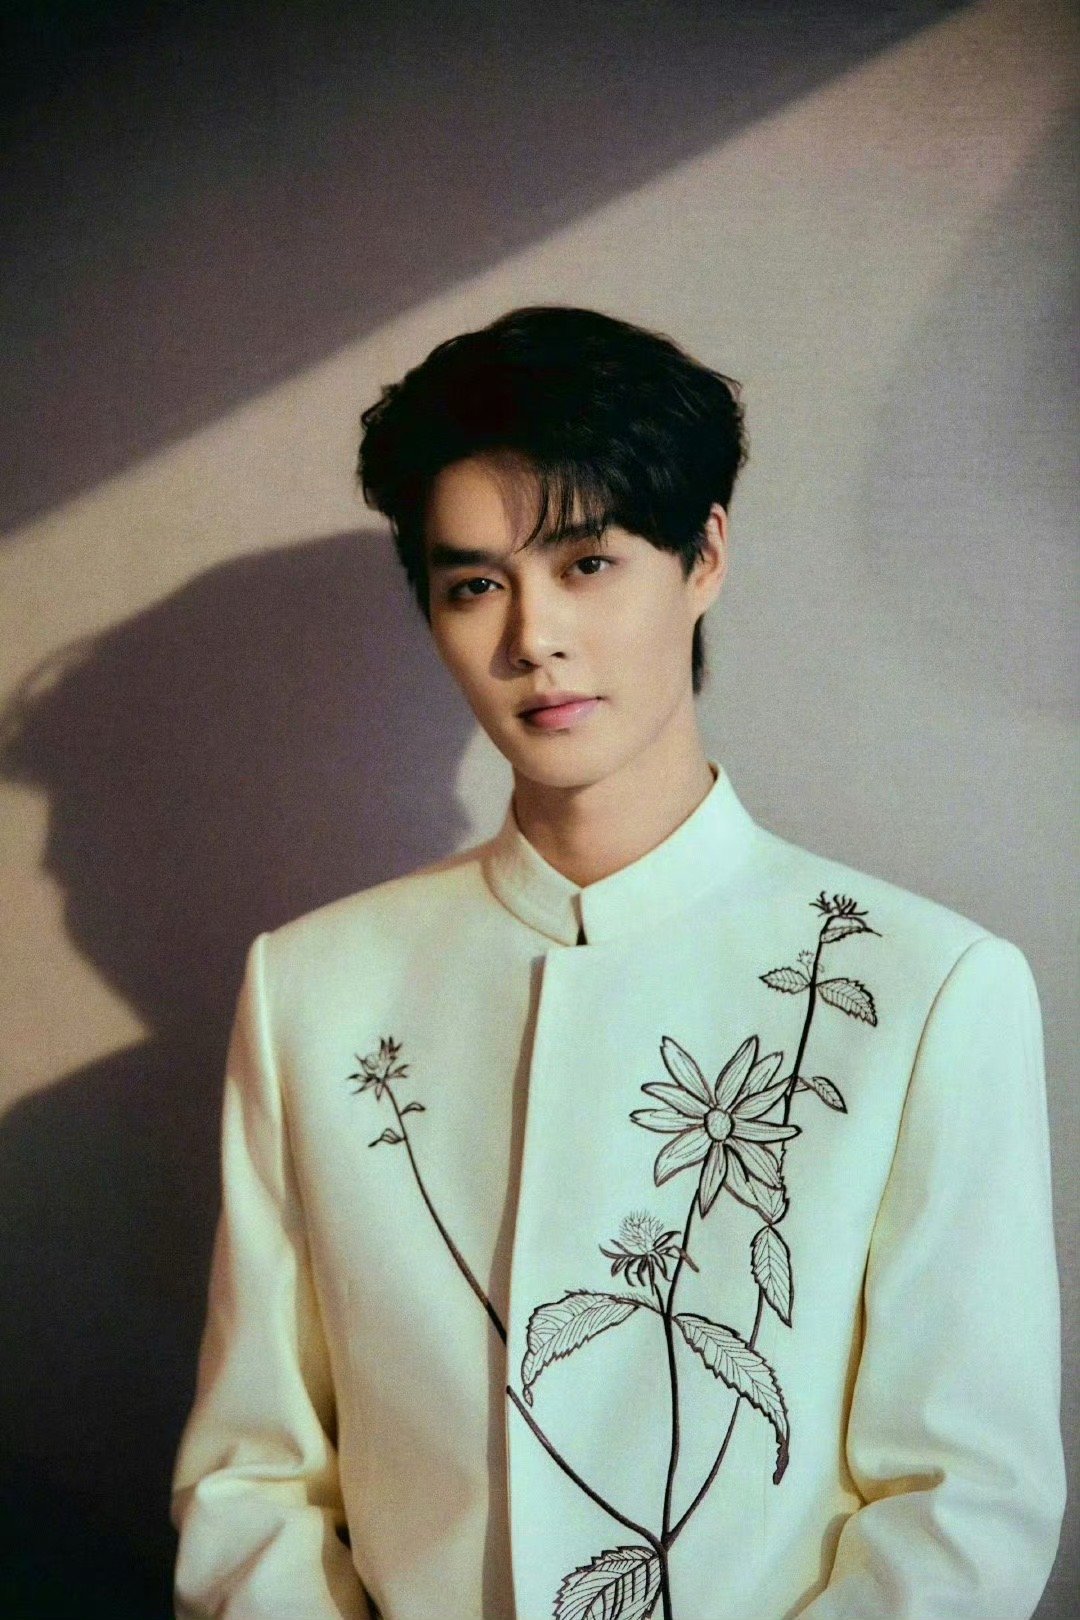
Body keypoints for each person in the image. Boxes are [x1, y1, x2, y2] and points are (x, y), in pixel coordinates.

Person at [170, 306, 1066, 1619]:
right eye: (475, 585)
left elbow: (963, 1503)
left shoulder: (931, 988)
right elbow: (253, 1480)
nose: (532, 636)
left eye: (587, 563)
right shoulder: (311, 989)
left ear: (704, 555)